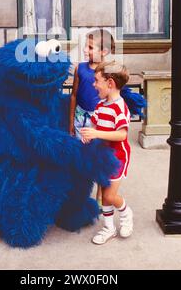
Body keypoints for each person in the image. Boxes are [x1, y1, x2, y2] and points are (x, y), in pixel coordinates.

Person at [80, 61, 133, 245]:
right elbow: (94, 124)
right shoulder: (101, 105)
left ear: (109, 83)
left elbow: (122, 134)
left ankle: (126, 215)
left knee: (110, 196)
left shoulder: (120, 107)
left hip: (118, 157)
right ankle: (109, 228)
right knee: (103, 196)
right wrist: (88, 135)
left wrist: (96, 133)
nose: (94, 84)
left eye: (97, 81)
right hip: (102, 155)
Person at [69, 29, 115, 207]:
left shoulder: (109, 71)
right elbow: (73, 95)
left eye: (90, 47)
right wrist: (70, 122)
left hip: (99, 120)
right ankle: (79, 193)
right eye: (85, 47)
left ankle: (100, 196)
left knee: (100, 156)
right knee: (80, 156)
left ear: (103, 51)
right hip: (80, 117)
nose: (85, 51)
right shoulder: (80, 68)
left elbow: (113, 98)